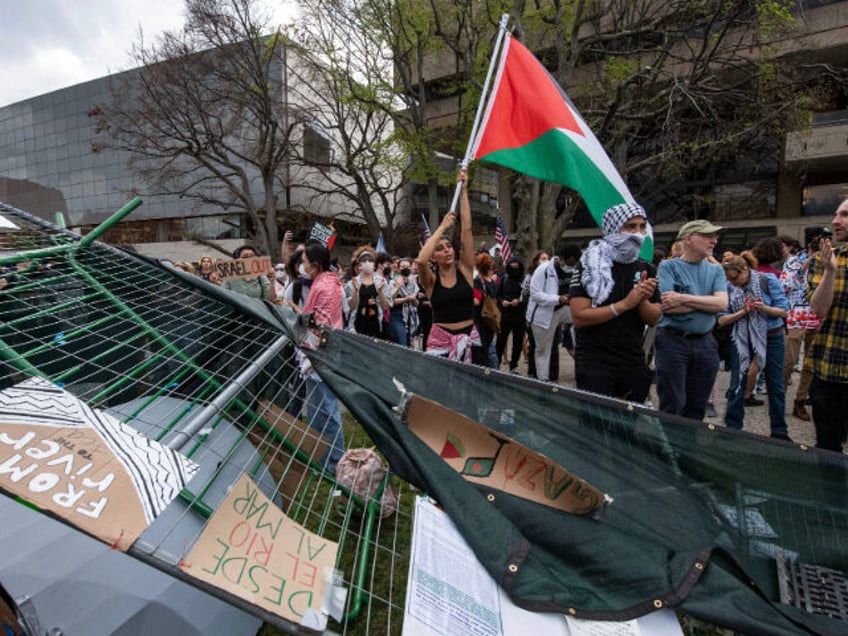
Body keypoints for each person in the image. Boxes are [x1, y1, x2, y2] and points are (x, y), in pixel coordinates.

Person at [569, 203, 661, 402]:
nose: (637, 233)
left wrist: (642, 300)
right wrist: (625, 304)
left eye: (642, 226)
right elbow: (579, 316)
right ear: (613, 228)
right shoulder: (590, 266)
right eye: (630, 226)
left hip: (632, 361)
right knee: (596, 426)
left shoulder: (646, 268)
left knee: (628, 429)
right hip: (596, 363)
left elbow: (654, 318)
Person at [655, 220, 728, 420]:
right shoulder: (668, 266)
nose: (714, 240)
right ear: (688, 238)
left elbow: (722, 304)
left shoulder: (716, 270)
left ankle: (688, 448)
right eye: (707, 236)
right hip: (672, 342)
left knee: (697, 406)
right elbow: (668, 305)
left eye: (715, 236)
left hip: (705, 343)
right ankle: (669, 449)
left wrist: (683, 297)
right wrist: (706, 303)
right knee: (673, 403)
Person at [718, 253, 791, 440]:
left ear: (745, 270)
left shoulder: (767, 280)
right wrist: (743, 312)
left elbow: (783, 310)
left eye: (735, 278)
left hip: (771, 336)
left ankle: (779, 431)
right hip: (742, 336)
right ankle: (732, 428)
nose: (733, 283)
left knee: (775, 385)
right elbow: (722, 319)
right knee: (737, 383)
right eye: (729, 279)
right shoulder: (728, 287)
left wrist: (763, 308)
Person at [415, 168, 479, 363]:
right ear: (434, 257)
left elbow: (467, 231)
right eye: (440, 249)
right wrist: (442, 227)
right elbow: (420, 261)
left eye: (449, 246)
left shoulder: (466, 272)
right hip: (439, 342)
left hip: (470, 339)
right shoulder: (431, 281)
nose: (448, 251)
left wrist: (465, 191)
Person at [297, 242, 345, 473]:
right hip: (318, 353)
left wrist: (311, 356)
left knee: (327, 409)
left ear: (315, 265)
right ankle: (318, 457)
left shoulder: (324, 287)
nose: (301, 267)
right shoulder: (326, 281)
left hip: (320, 354)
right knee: (316, 411)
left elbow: (320, 325)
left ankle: (334, 461)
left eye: (304, 263)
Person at [807, 200, 848, 452]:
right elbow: (819, 310)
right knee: (827, 448)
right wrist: (830, 272)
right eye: (836, 214)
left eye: (844, 215)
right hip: (830, 369)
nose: (835, 220)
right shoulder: (823, 260)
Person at [780, 228, 826, 422]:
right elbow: (784, 287)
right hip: (796, 313)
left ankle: (800, 400)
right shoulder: (793, 261)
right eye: (819, 241)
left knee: (810, 361)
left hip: (815, 314)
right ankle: (779, 396)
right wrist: (802, 268)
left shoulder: (828, 261)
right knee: (789, 360)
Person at [526, 246, 574, 382]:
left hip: (564, 309)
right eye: (569, 263)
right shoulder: (543, 270)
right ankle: (542, 380)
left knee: (584, 320)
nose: (571, 267)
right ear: (562, 259)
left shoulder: (576, 269)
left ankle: (553, 378)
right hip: (543, 314)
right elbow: (535, 294)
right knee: (543, 349)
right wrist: (557, 299)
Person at [344, 246, 390, 338]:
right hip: (356, 326)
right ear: (359, 264)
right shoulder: (352, 283)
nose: (367, 263)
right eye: (364, 260)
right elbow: (350, 306)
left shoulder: (382, 281)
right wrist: (356, 291)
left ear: (374, 264)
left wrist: (380, 291)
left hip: (376, 326)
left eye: (370, 260)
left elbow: (385, 306)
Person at [495, 255, 526, 372]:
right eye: (511, 267)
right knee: (500, 341)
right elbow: (497, 295)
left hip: (519, 315)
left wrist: (519, 300)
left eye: (516, 267)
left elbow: (527, 294)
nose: (514, 270)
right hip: (505, 316)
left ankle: (514, 365)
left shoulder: (523, 280)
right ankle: (496, 363)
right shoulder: (504, 279)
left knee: (518, 343)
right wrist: (502, 301)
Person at [473, 252, 499, 367]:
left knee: (484, 352)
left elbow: (476, 301)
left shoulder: (478, 283)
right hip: (490, 320)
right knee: (491, 350)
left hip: (480, 321)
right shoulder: (492, 282)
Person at [387, 257, 419, 346]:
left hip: (410, 316)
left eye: (408, 266)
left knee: (410, 344)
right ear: (398, 269)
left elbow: (417, 303)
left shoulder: (413, 284)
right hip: (397, 316)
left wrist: (413, 299)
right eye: (403, 266)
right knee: (402, 342)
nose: (406, 269)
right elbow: (391, 302)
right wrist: (405, 298)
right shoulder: (393, 282)